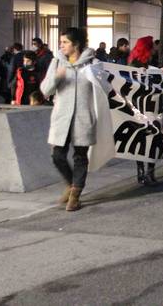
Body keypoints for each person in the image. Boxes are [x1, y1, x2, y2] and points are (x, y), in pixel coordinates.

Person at [40, 27, 110, 211]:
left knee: (80, 156)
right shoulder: (57, 62)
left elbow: (105, 89)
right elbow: (45, 90)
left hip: (83, 117)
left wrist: (98, 79)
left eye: (65, 42)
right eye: (61, 42)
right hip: (62, 117)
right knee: (57, 156)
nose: (61, 45)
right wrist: (57, 77)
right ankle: (72, 185)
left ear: (76, 44)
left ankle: (75, 195)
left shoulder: (93, 63)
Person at [128, 36, 161, 184]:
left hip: (143, 107)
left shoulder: (143, 63)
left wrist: (162, 72)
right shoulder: (136, 65)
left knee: (143, 139)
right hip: (143, 108)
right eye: (152, 45)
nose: (154, 48)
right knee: (148, 139)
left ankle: (143, 173)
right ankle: (147, 172)